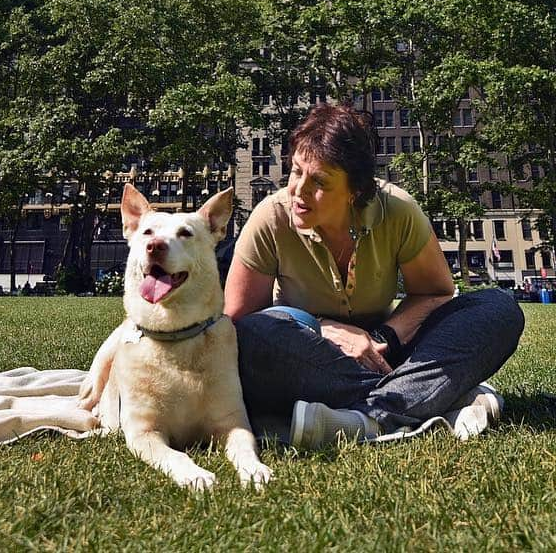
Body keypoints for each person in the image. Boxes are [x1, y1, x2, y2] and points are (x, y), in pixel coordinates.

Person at [224, 103, 525, 450]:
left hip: (386, 358)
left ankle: (366, 419)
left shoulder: (397, 210)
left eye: (319, 181)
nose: (299, 191)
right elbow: (239, 322)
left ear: (355, 190)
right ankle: (438, 398)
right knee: (255, 336)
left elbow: (436, 293)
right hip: (308, 358)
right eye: (295, 172)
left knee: (498, 309)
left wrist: (383, 337)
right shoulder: (271, 217)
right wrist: (323, 327)